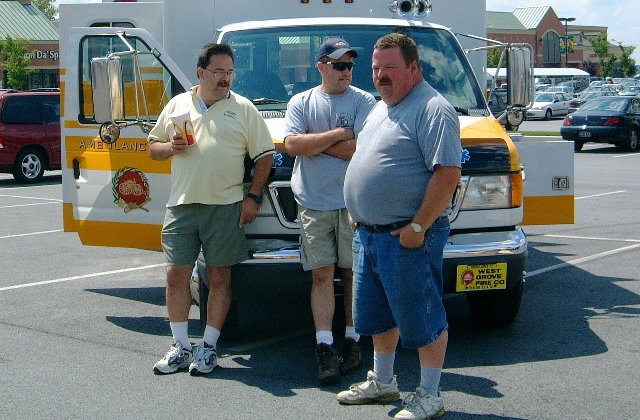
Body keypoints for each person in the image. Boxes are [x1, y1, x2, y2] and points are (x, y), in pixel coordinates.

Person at [338, 33, 461, 420]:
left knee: (422, 316)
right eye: (376, 68)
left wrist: (420, 227)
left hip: (407, 236)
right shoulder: (380, 108)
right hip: (371, 235)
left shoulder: (432, 109)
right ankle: (384, 382)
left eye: (390, 68)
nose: (380, 75)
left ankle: (429, 394)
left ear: (414, 68)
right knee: (377, 314)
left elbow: (448, 173)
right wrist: (359, 208)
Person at [148, 43, 275, 376]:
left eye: (230, 72)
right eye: (219, 72)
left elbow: (265, 156)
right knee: (175, 276)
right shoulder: (177, 104)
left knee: (220, 278)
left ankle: (207, 347)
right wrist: (168, 146)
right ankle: (180, 347)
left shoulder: (244, 108)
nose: (226, 79)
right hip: (182, 205)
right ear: (201, 72)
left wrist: (253, 197)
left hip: (225, 207)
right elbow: (152, 148)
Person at [284, 37, 376, 385]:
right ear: (321, 66)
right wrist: (338, 134)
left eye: (350, 65)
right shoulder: (301, 101)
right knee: (321, 274)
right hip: (313, 201)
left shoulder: (365, 100)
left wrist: (315, 144)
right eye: (339, 65)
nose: (346, 71)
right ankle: (324, 346)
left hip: (355, 203)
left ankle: (353, 340)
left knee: (354, 274)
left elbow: (363, 149)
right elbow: (292, 144)